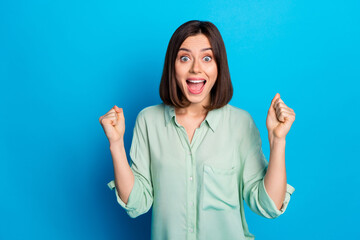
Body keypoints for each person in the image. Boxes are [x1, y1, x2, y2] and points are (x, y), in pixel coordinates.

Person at [99, 20, 296, 240]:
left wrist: (278, 141)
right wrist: (116, 144)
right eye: (184, 58)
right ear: (172, 66)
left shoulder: (241, 123)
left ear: (219, 66)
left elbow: (268, 205)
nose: (195, 68)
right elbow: (137, 203)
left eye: (207, 58)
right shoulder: (148, 121)